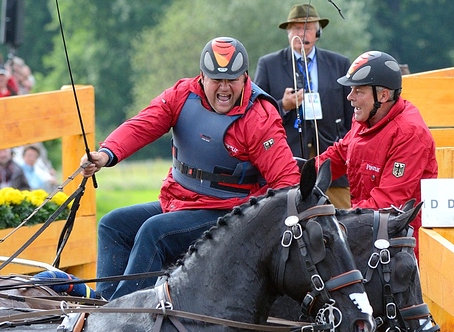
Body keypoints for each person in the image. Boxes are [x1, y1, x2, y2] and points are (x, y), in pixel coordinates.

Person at [80, 36, 300, 299]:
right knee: (113, 225)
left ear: (245, 78)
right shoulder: (183, 94)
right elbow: (143, 125)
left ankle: (123, 314)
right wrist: (106, 154)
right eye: (217, 80)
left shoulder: (259, 117)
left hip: (228, 212)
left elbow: (287, 181)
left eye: (232, 80)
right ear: (202, 77)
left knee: (154, 233)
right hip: (178, 201)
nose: (224, 88)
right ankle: (103, 304)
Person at [316, 50, 437, 238]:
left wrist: (339, 220)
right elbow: (338, 155)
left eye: (359, 91)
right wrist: (300, 177)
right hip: (365, 229)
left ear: (383, 96)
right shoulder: (364, 119)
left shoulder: (409, 133)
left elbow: (388, 204)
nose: (350, 97)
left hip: (399, 244)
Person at [253, 3, 353, 208]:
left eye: (307, 27)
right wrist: (284, 105)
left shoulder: (340, 64)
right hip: (287, 162)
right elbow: (256, 116)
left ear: (318, 32)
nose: (302, 33)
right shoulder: (269, 65)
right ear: (288, 34)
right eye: (297, 28)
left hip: (333, 165)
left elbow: (352, 114)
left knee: (342, 223)